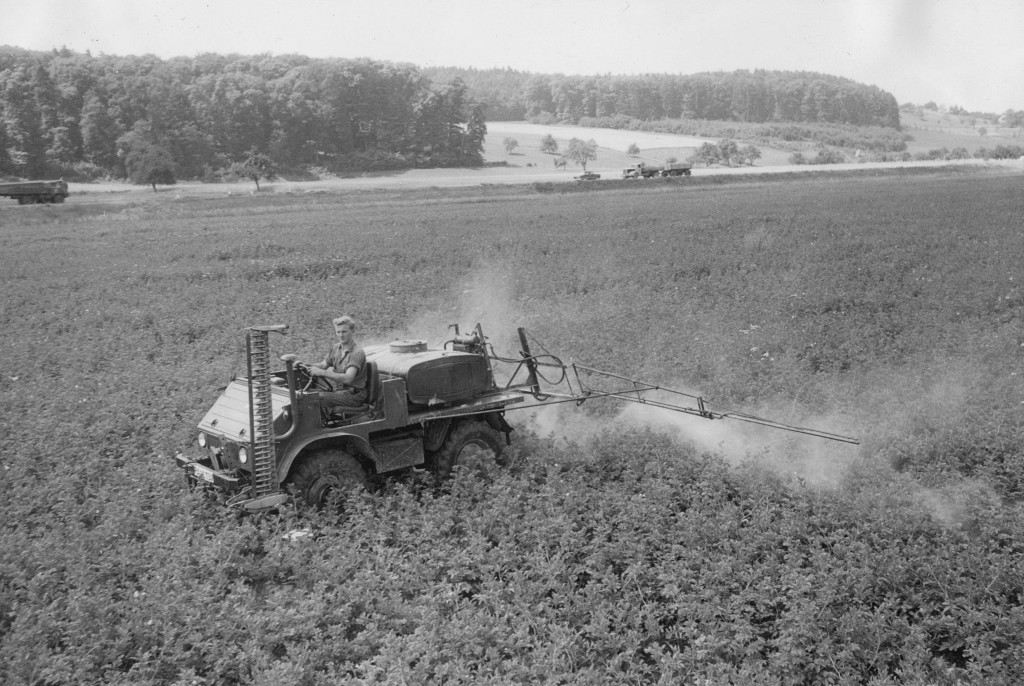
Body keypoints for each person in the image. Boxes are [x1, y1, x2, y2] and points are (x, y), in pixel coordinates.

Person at [308, 315, 368, 422]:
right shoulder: (336, 348)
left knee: (318, 398)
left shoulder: (357, 352)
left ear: (352, 331)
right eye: (338, 332)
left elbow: (348, 378)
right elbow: (322, 365)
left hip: (354, 395)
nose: (341, 335)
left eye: (344, 332)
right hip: (340, 391)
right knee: (309, 393)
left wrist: (322, 372)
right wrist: (304, 365)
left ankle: (319, 427)